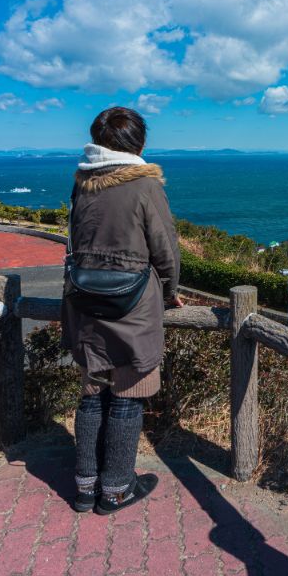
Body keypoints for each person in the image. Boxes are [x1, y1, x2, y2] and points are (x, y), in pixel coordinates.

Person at [61, 106, 182, 515]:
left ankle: (84, 487)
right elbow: (165, 249)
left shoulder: (82, 183)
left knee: (93, 393)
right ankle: (115, 491)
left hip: (85, 301)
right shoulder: (145, 186)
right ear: (139, 144)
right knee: (128, 395)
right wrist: (170, 292)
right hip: (131, 304)